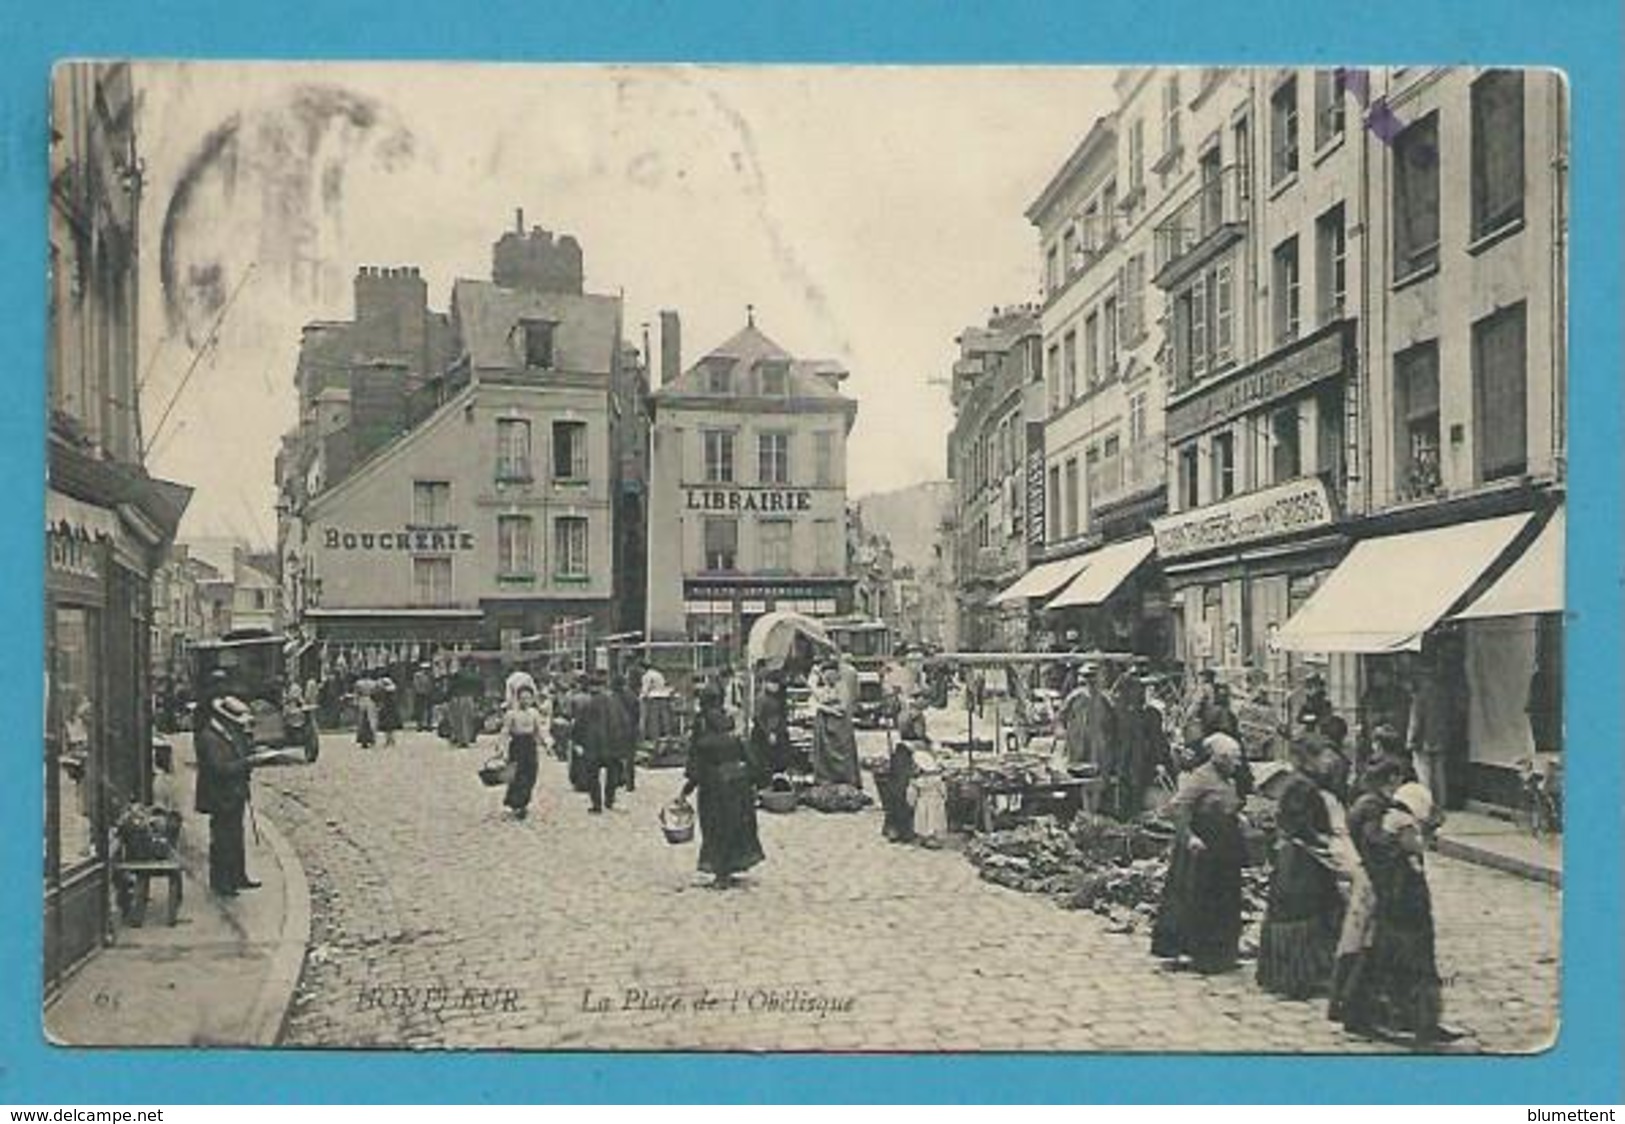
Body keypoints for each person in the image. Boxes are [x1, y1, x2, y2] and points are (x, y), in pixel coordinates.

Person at [1256, 738, 1346, 999]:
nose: (1328, 762)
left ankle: (1287, 974)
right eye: (1323, 757)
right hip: (1301, 859)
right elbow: (1300, 824)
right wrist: (1323, 841)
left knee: (1297, 909)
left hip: (1294, 855)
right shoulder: (1303, 786)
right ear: (1310, 758)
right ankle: (1299, 975)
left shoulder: (1300, 782)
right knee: (1305, 910)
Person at [1151, 733, 1247, 974]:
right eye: (1234, 759)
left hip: (1225, 849)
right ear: (1220, 758)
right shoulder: (1201, 777)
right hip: (1203, 848)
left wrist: (1237, 816)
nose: (1238, 764)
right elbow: (1178, 807)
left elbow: (1227, 804)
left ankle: (1222, 952)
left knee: (1226, 900)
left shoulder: (1228, 779)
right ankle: (1199, 953)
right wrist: (1189, 836)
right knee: (1201, 901)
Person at [679, 684, 766, 890]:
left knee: (714, 828)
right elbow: (751, 759)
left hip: (714, 785)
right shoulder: (732, 727)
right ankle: (733, 864)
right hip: (739, 784)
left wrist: (686, 789)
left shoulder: (702, 732)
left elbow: (696, 765)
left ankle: (721, 872)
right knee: (736, 826)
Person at [194, 695, 259, 897]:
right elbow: (219, 768)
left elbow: (237, 755)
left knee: (235, 835)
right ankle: (222, 882)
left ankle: (237, 876)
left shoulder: (228, 734)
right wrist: (246, 763)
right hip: (219, 795)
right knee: (223, 838)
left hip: (233, 793)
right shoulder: (210, 737)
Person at [571, 672, 620, 814]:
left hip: (592, 744)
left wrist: (576, 741)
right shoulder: (612, 703)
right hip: (609, 743)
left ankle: (597, 805)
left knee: (593, 776)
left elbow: (579, 724)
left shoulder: (587, 703)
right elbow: (617, 723)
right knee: (611, 774)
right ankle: (609, 800)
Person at [810, 660, 861, 788]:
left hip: (840, 724)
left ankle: (845, 779)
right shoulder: (826, 686)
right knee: (825, 752)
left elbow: (842, 707)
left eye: (829, 674)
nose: (827, 678)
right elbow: (816, 698)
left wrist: (825, 708)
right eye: (825, 675)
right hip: (825, 723)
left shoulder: (842, 685)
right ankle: (826, 779)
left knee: (843, 752)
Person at [502, 685, 545, 820]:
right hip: (517, 745)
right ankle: (517, 805)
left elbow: (538, 731)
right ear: (517, 699)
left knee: (531, 774)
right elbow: (505, 731)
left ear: (532, 699)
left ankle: (524, 802)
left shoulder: (534, 713)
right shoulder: (511, 714)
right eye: (522, 698)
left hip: (530, 745)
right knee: (518, 776)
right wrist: (501, 749)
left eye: (528, 698)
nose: (525, 701)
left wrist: (545, 744)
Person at [752, 673, 792, 779]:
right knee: (767, 759)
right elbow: (758, 718)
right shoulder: (761, 698)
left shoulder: (778, 696)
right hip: (765, 733)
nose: (776, 687)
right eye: (774, 684)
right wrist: (768, 733)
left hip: (778, 730)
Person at [378, 678, 401, 748]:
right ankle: (390, 740)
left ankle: (389, 740)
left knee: (388, 726)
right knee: (389, 726)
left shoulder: (387, 692)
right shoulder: (392, 692)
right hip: (390, 710)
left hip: (388, 710)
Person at [355, 681, 378, 749]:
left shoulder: (359, 683)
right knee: (372, 721)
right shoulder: (373, 683)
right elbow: (376, 693)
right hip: (370, 700)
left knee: (362, 721)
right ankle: (372, 739)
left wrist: (356, 701)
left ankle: (364, 740)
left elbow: (356, 694)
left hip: (362, 700)